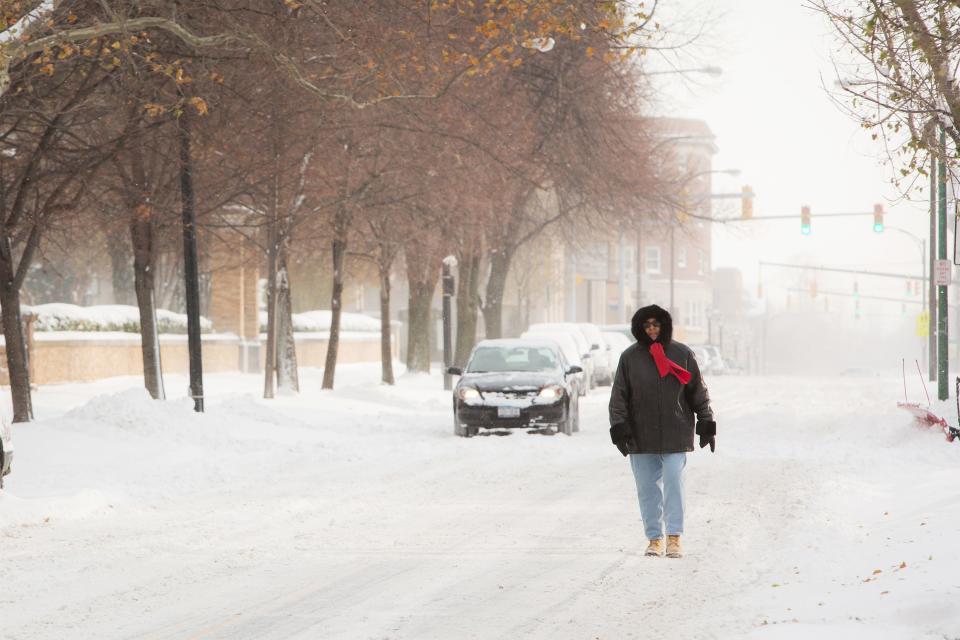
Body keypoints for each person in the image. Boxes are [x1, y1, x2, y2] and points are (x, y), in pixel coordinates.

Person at [608, 304, 716, 559]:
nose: (652, 330)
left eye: (656, 325)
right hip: (640, 434)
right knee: (647, 488)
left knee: (673, 482)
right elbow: (619, 397)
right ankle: (654, 538)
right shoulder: (630, 358)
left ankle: (675, 536)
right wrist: (620, 427)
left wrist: (706, 422)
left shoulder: (682, 354)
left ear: (664, 326)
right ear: (640, 329)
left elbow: (697, 392)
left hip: (675, 432)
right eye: (647, 326)